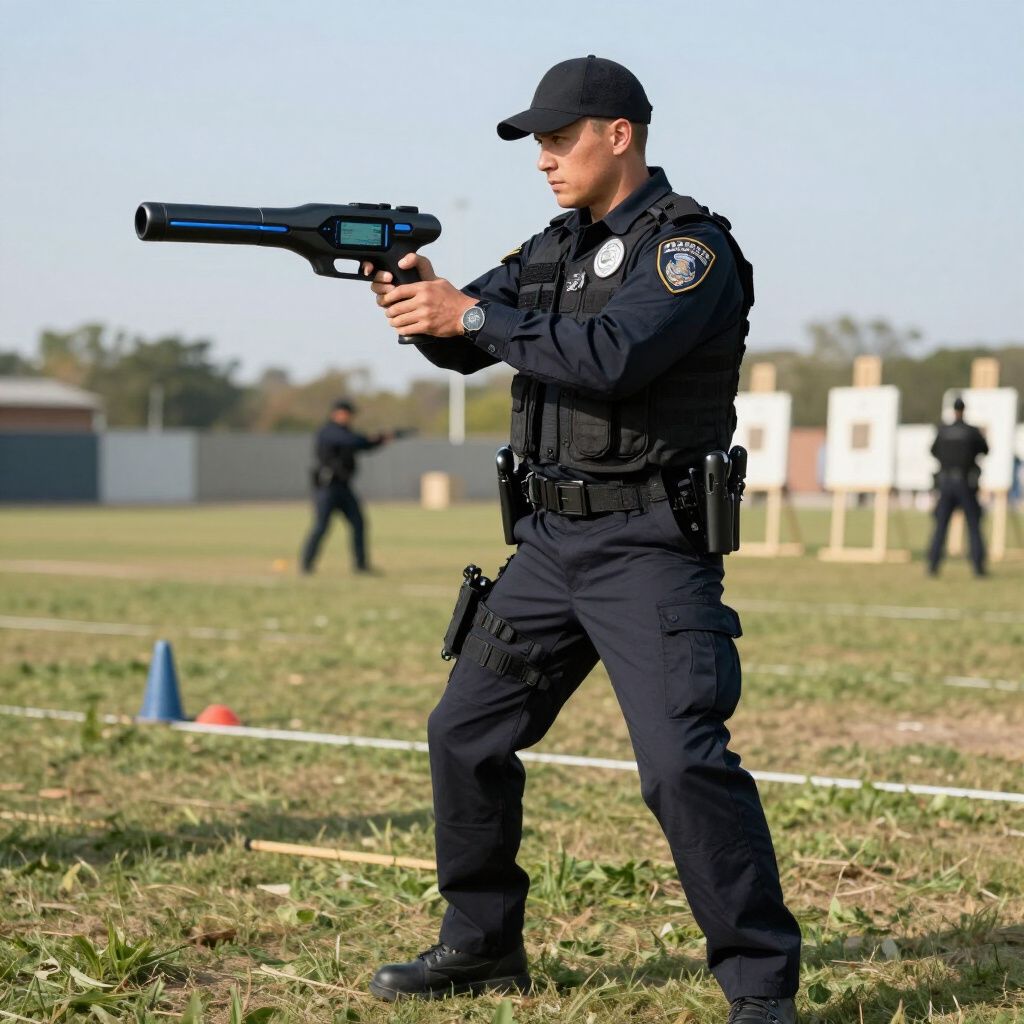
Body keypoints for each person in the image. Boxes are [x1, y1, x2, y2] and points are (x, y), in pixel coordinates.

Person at [364, 56, 801, 1023]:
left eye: (559, 140)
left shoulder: (687, 251)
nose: (545, 160)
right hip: (551, 545)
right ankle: (482, 947)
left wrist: (470, 311)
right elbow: (463, 340)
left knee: (683, 765)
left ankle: (761, 988)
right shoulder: (553, 248)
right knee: (463, 733)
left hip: (648, 544)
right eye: (537, 145)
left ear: (620, 134)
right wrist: (414, 294)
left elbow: (612, 357)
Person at [300, 399, 390, 575]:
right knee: (321, 526)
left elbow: (363, 445)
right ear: (337, 413)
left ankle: (361, 566)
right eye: (347, 414)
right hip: (327, 488)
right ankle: (306, 565)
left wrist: (380, 440)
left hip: (344, 487)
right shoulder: (328, 432)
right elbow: (353, 441)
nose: (349, 418)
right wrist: (370, 437)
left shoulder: (347, 433)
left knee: (358, 523)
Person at [926, 396, 989, 576]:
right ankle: (978, 566)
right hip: (965, 484)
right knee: (973, 525)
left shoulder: (943, 430)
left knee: (940, 525)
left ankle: (933, 565)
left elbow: (933, 451)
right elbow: (985, 450)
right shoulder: (971, 431)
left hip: (945, 483)